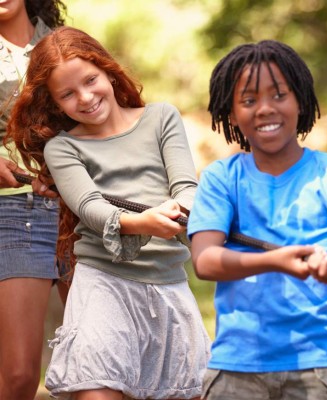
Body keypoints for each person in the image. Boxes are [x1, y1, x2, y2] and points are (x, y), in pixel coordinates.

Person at [7, 26, 210, 400]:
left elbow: (185, 185)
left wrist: (185, 208)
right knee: (97, 391)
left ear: (109, 72)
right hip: (104, 283)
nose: (85, 98)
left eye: (91, 80)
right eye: (67, 94)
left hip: (168, 285)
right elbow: (90, 207)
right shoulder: (63, 147)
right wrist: (141, 222)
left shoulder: (162, 118)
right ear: (54, 103)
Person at [187, 39, 327, 400]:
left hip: (320, 364)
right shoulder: (222, 178)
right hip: (238, 366)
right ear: (231, 113)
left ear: (300, 100)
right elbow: (205, 260)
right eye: (249, 101)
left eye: (279, 95)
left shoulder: (326, 174)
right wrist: (275, 262)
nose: (265, 109)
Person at [0, 1, 68, 400]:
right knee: (21, 376)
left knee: (97, 360)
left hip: (78, 210)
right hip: (14, 210)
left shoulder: (60, 44)